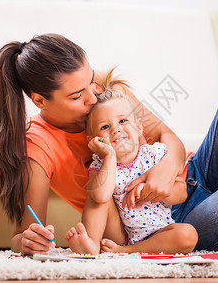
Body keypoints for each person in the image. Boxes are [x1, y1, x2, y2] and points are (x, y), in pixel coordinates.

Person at [0, 33, 218, 256]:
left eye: (91, 82)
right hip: (172, 224)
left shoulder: (107, 94)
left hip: (194, 176)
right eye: (77, 95)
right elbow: (24, 232)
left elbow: (170, 140)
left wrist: (165, 170)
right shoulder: (36, 147)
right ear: (40, 100)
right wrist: (28, 241)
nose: (94, 96)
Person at [64, 77, 198, 254]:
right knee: (98, 195)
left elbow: (181, 192)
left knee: (188, 234)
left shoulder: (153, 154)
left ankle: (126, 251)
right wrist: (109, 157)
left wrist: (150, 189)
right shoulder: (100, 164)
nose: (115, 130)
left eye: (123, 121)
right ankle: (91, 244)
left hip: (160, 232)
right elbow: (99, 196)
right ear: (93, 140)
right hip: (120, 234)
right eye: (105, 126)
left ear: (139, 128)